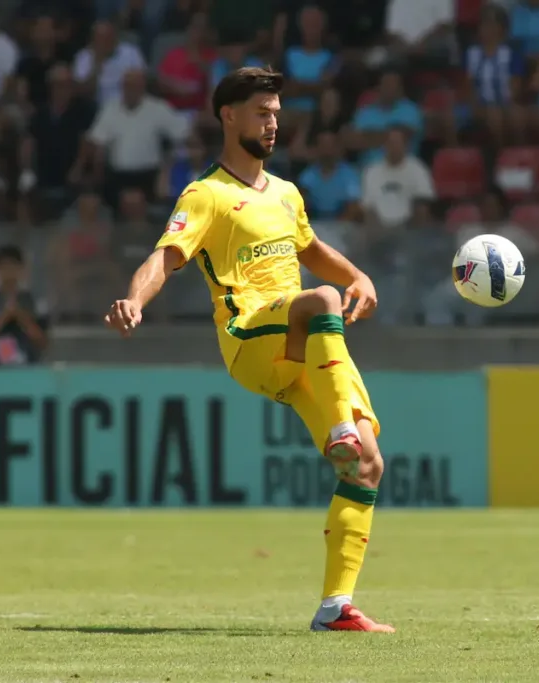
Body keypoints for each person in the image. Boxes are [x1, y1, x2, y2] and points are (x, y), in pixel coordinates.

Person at [103, 67, 392, 634]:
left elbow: (310, 247)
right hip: (249, 336)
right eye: (262, 112)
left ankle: (336, 607)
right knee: (321, 301)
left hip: (306, 343)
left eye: (277, 113)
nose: (273, 122)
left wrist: (361, 275)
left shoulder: (285, 193)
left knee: (367, 464)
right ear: (228, 117)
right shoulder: (206, 194)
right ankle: (339, 427)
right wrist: (134, 299)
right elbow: (165, 256)